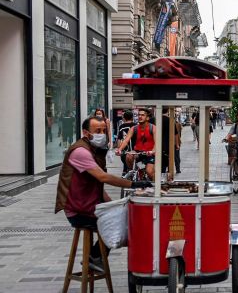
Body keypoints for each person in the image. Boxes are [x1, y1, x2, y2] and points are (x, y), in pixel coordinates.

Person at [55, 116, 152, 272]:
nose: (101, 134)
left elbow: (97, 186)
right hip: (78, 210)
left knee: (124, 216)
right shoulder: (80, 151)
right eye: (97, 131)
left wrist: (113, 204)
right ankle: (95, 257)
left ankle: (97, 257)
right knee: (119, 223)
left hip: (89, 205)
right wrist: (133, 184)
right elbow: (103, 177)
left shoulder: (94, 150)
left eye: (103, 130)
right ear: (86, 133)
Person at [116, 108, 156, 181]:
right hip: (138, 152)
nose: (140, 116)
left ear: (147, 118)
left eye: (143, 115)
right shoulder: (134, 128)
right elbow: (126, 140)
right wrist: (119, 149)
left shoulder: (152, 128)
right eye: (139, 115)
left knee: (149, 172)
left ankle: (155, 186)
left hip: (149, 153)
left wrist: (152, 151)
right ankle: (132, 173)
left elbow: (157, 143)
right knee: (129, 155)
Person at [159, 109, 181, 177]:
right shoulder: (170, 120)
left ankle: (162, 173)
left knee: (162, 159)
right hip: (170, 143)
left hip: (159, 143)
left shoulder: (157, 120)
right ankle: (176, 170)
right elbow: (176, 134)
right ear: (168, 111)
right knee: (174, 157)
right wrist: (177, 144)